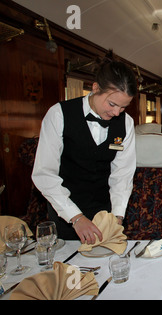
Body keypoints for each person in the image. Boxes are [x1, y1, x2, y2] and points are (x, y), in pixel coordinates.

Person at [32, 60, 137, 244]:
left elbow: (122, 175)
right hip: (65, 212)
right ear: (95, 88)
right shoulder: (58, 115)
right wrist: (76, 217)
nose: (117, 113)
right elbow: (44, 174)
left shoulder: (126, 123)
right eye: (112, 104)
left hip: (104, 213)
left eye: (123, 107)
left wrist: (118, 216)